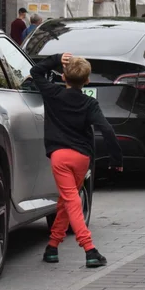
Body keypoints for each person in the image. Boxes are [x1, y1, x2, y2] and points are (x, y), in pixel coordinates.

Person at [30, 52, 123, 268]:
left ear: (63, 77)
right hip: (82, 158)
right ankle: (52, 246)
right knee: (67, 200)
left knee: (70, 199)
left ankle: (89, 249)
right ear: (87, 81)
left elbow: (35, 71)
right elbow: (106, 129)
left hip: (59, 156)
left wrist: (56, 58)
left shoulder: (52, 93)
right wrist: (115, 158)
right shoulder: (90, 103)